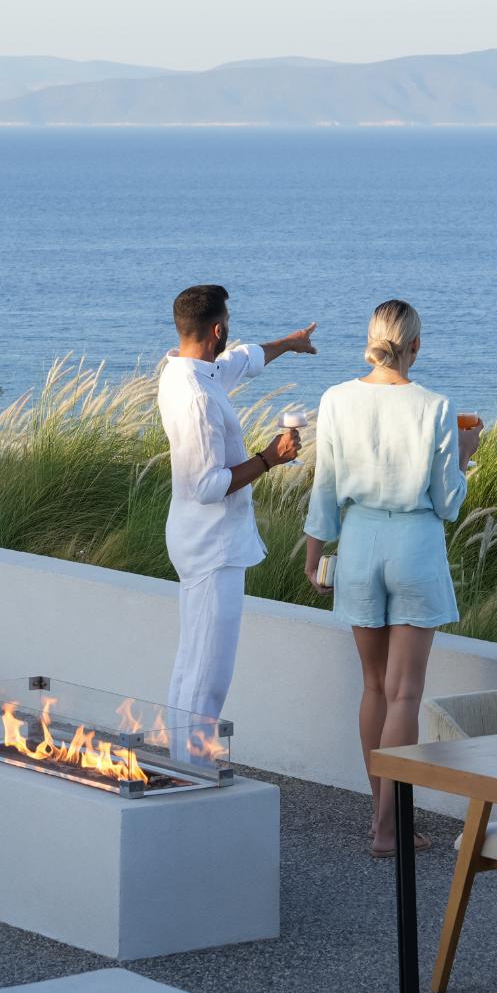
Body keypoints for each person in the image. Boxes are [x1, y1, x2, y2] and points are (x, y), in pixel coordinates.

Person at [303, 298, 479, 857]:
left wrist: (314, 556)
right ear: (416, 346)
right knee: (406, 692)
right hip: (414, 544)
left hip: (356, 543)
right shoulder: (436, 406)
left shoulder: (335, 399)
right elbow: (447, 502)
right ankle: (389, 828)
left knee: (374, 688)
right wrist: (466, 457)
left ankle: (381, 820)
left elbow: (324, 487)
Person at [159, 283, 318, 729]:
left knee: (191, 661)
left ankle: (181, 763)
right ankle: (192, 770)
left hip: (199, 539)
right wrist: (270, 458)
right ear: (216, 328)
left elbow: (241, 360)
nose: (230, 331)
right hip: (211, 545)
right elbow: (208, 486)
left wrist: (288, 344)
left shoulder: (187, 370)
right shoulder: (197, 397)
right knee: (208, 674)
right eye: (227, 322)